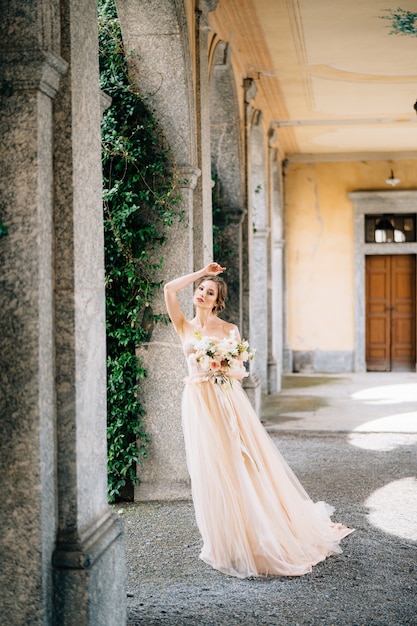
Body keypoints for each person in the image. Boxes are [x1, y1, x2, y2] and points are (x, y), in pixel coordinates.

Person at [164, 262, 354, 578]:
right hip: (197, 403)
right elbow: (169, 289)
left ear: (217, 301)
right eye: (201, 290)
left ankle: (260, 532)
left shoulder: (228, 330)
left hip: (226, 400)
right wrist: (200, 273)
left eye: (209, 292)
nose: (201, 294)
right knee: (210, 467)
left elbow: (239, 370)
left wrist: (220, 365)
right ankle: (224, 540)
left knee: (241, 462)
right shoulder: (183, 325)